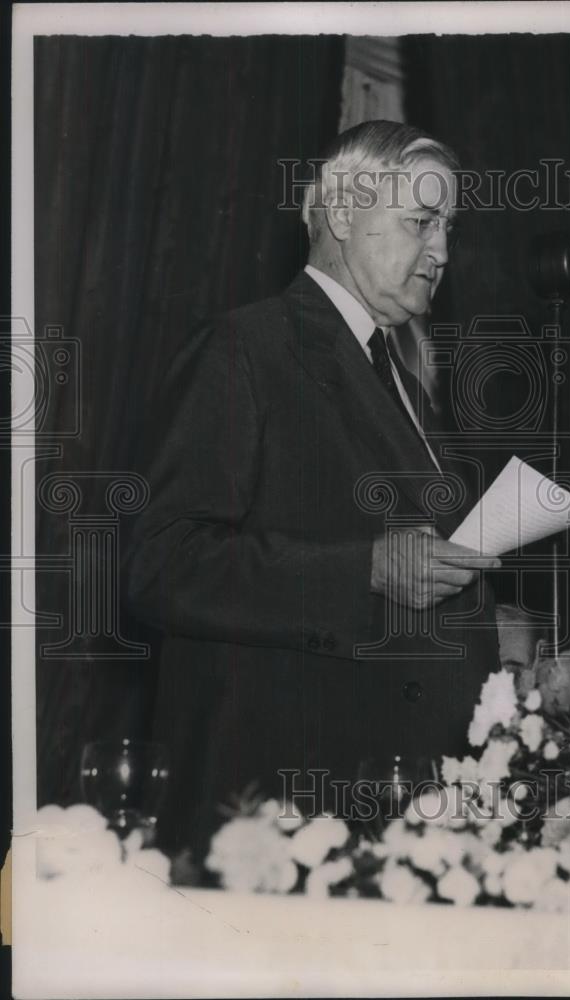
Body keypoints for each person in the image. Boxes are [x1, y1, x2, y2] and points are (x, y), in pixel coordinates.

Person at [126, 120, 503, 867]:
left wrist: (491, 636)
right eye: (422, 223)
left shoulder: (398, 377)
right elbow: (156, 563)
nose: (442, 253)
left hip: (399, 810)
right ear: (341, 214)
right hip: (284, 810)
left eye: (449, 228)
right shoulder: (244, 348)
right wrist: (362, 568)